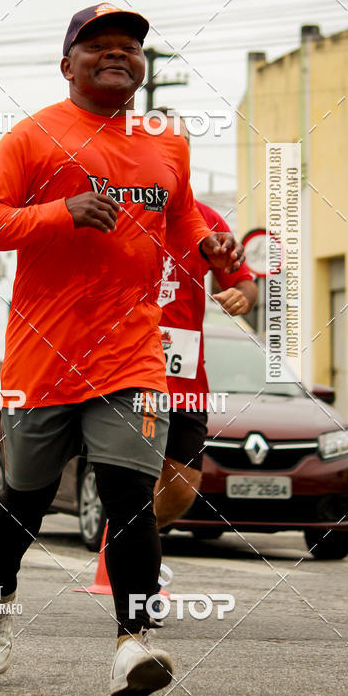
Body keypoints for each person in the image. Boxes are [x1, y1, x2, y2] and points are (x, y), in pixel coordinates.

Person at [0, 3, 245, 696]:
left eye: (129, 47)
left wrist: (209, 247)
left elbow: (179, 223)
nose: (117, 55)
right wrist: (61, 212)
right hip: (43, 355)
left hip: (131, 355)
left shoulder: (167, 140)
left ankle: (132, 645)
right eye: (99, 47)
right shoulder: (31, 137)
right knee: (24, 498)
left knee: (130, 498)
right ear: (68, 66)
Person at [153, 114, 257, 532]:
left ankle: (132, 538)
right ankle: (130, 556)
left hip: (185, 374)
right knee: (129, 474)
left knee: (183, 486)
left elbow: (245, 285)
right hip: (125, 366)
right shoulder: (121, 212)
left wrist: (241, 297)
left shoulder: (208, 221)